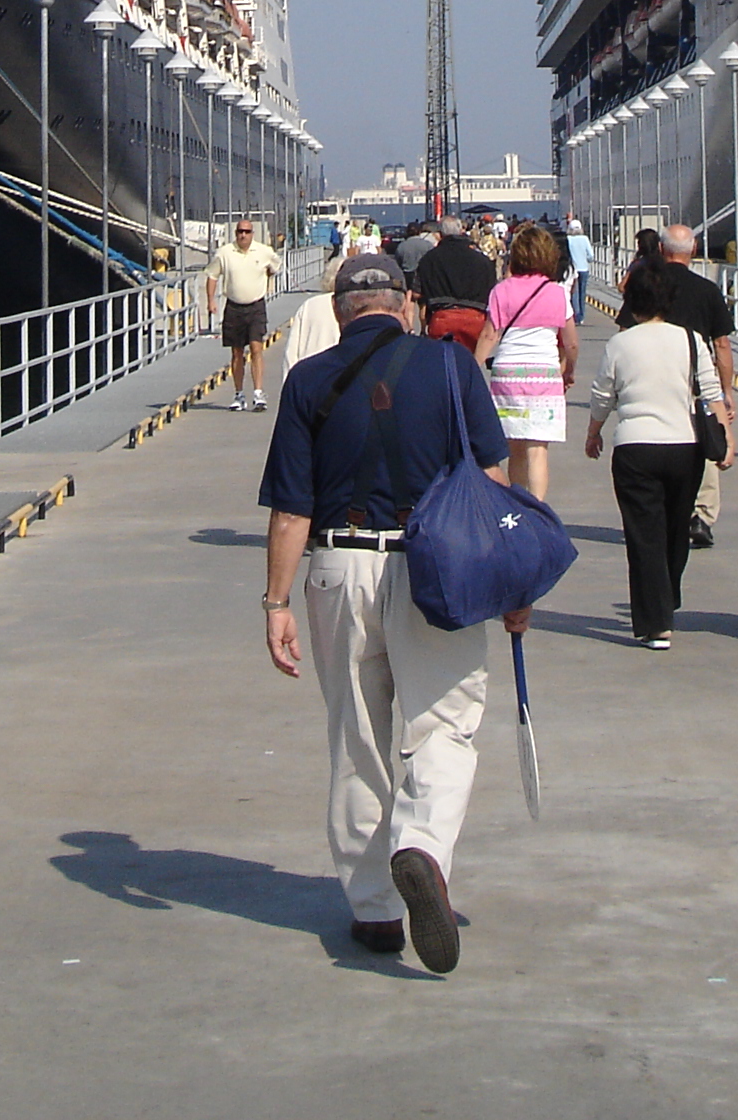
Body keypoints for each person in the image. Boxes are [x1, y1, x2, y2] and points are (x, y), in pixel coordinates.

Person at [258, 251, 523, 974]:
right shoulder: (451, 369)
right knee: (446, 723)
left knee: (359, 735)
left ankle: (374, 908)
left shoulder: (308, 380)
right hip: (439, 564)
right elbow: (494, 481)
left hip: (340, 564)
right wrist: (508, 586)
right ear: (405, 304)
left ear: (341, 310)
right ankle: (423, 847)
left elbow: (291, 509)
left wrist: (276, 602)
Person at [583, 276, 729, 648]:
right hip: (685, 446)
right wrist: (727, 439)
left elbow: (603, 393)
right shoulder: (690, 339)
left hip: (635, 447)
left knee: (643, 535)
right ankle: (667, 597)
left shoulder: (619, 343)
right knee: (677, 528)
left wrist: (594, 431)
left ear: (632, 303)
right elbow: (711, 392)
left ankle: (655, 623)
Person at [648, 225, 738, 548]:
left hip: (655, 377)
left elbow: (627, 332)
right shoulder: (707, 290)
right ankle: (700, 516)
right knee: (706, 441)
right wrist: (726, 392)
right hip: (700, 379)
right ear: (695, 249)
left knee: (659, 440)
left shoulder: (650, 286)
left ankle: (666, 513)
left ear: (661, 249)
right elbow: (723, 345)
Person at [479, 222, 579, 502]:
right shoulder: (557, 293)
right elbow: (570, 342)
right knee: (538, 450)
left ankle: (517, 503)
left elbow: (489, 334)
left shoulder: (501, 290)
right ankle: (538, 509)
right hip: (543, 375)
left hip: (507, 374)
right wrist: (568, 370)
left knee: (514, 447)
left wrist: (474, 368)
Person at [206, 217, 282, 411]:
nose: (243, 235)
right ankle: (239, 394)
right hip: (234, 307)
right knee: (237, 351)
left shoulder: (263, 251)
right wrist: (211, 300)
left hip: (256, 306)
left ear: (252, 234)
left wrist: (267, 276)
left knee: (257, 348)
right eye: (240, 231)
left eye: (247, 232)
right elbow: (212, 275)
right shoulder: (225, 253)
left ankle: (258, 392)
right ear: (236, 233)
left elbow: (275, 266)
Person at [410, 215, 499, 354]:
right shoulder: (482, 261)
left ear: (439, 235)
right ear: (462, 232)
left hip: (441, 318)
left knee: (442, 365)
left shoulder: (429, 259)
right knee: (467, 365)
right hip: (475, 319)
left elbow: (416, 293)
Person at [275, 247, 345, 391]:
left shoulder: (309, 306)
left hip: (308, 383)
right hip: (339, 384)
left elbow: (291, 354)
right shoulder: (353, 308)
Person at [563, 217, 595, 322]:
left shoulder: (568, 239)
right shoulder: (585, 239)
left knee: (574, 293)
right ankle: (582, 316)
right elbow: (591, 255)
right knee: (582, 292)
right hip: (584, 269)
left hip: (572, 269)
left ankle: (575, 315)